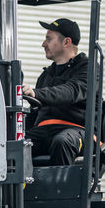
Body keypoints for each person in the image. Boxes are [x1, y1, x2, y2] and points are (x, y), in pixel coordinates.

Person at [19, 18, 87, 165]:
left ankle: (62, 181)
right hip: (44, 131)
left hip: (77, 131)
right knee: (13, 145)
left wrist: (36, 93)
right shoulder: (46, 75)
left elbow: (70, 91)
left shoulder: (87, 68)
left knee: (62, 141)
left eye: (48, 39)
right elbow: (34, 112)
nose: (43, 44)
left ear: (66, 42)